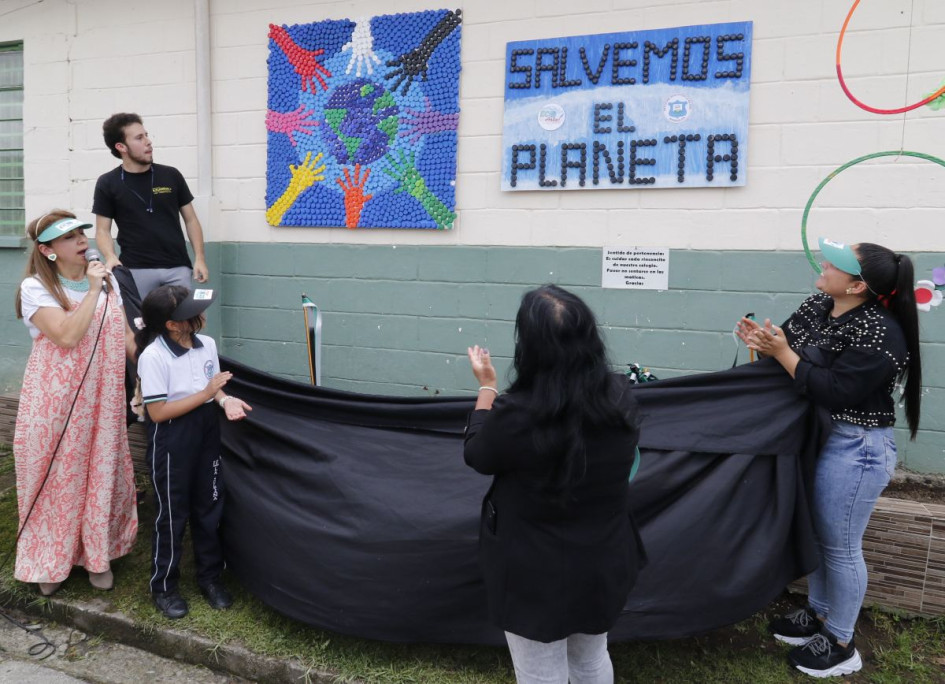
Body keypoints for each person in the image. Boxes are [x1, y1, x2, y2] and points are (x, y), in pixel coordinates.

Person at [737, 238, 921, 679]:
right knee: (820, 536)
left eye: (834, 263)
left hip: (857, 447)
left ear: (857, 287)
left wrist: (782, 353)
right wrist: (765, 342)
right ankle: (819, 615)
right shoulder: (819, 303)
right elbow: (789, 344)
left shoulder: (882, 333)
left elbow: (835, 389)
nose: (823, 265)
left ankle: (841, 640)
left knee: (840, 547)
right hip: (817, 437)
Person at [463, 284, 645, 684]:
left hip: (534, 573)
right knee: (592, 660)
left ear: (530, 347)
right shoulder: (620, 398)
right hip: (603, 560)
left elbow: (477, 453)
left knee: (540, 672)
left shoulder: (517, 414)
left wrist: (487, 388)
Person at [13, 210, 139, 596]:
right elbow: (67, 336)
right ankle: (50, 560)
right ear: (48, 250)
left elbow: (125, 337)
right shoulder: (35, 288)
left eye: (81, 232)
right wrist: (92, 289)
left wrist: (146, 376)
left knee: (100, 472)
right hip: (55, 400)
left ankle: (96, 555)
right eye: (68, 237)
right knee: (53, 477)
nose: (82, 240)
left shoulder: (107, 280)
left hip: (102, 398)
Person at [134, 284, 251, 619]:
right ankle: (165, 587)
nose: (202, 315)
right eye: (192, 313)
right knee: (172, 515)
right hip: (172, 438)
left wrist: (225, 400)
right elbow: (157, 413)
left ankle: (210, 578)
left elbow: (213, 387)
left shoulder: (207, 345)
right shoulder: (154, 356)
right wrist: (207, 392)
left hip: (206, 431)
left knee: (209, 507)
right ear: (173, 324)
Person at [92, 112, 208, 300]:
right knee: (141, 327)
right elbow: (102, 230)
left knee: (180, 326)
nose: (148, 141)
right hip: (136, 270)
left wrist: (200, 258)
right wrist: (111, 256)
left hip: (177, 268)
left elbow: (191, 219)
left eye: (146, 135)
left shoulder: (171, 175)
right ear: (121, 147)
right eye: (139, 138)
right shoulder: (108, 182)